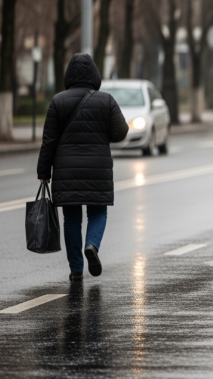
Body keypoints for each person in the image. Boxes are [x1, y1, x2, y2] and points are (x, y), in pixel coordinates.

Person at [37, 53, 129, 281]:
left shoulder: (58, 101)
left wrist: (43, 172)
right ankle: (92, 245)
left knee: (72, 220)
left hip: (66, 170)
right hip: (98, 168)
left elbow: (48, 140)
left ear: (69, 75)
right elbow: (122, 131)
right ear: (95, 75)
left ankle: (76, 270)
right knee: (98, 211)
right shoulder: (106, 100)